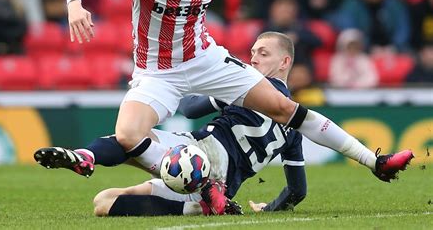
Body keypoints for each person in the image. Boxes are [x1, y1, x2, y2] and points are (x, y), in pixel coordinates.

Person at [62, 0, 413, 205]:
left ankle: (375, 162)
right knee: (127, 134)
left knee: (284, 107)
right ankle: (204, 188)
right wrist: (75, 6)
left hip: (205, 59)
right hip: (157, 72)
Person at [36, 32, 414, 217]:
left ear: (284, 63)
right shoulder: (293, 128)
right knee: (103, 202)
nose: (252, 58)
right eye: (251, 53)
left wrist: (214, 82)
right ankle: (202, 199)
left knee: (130, 139)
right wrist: (270, 210)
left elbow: (195, 106)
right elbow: (297, 191)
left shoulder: (242, 90)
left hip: (198, 154)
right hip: (204, 169)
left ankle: (87, 155)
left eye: (262, 54)